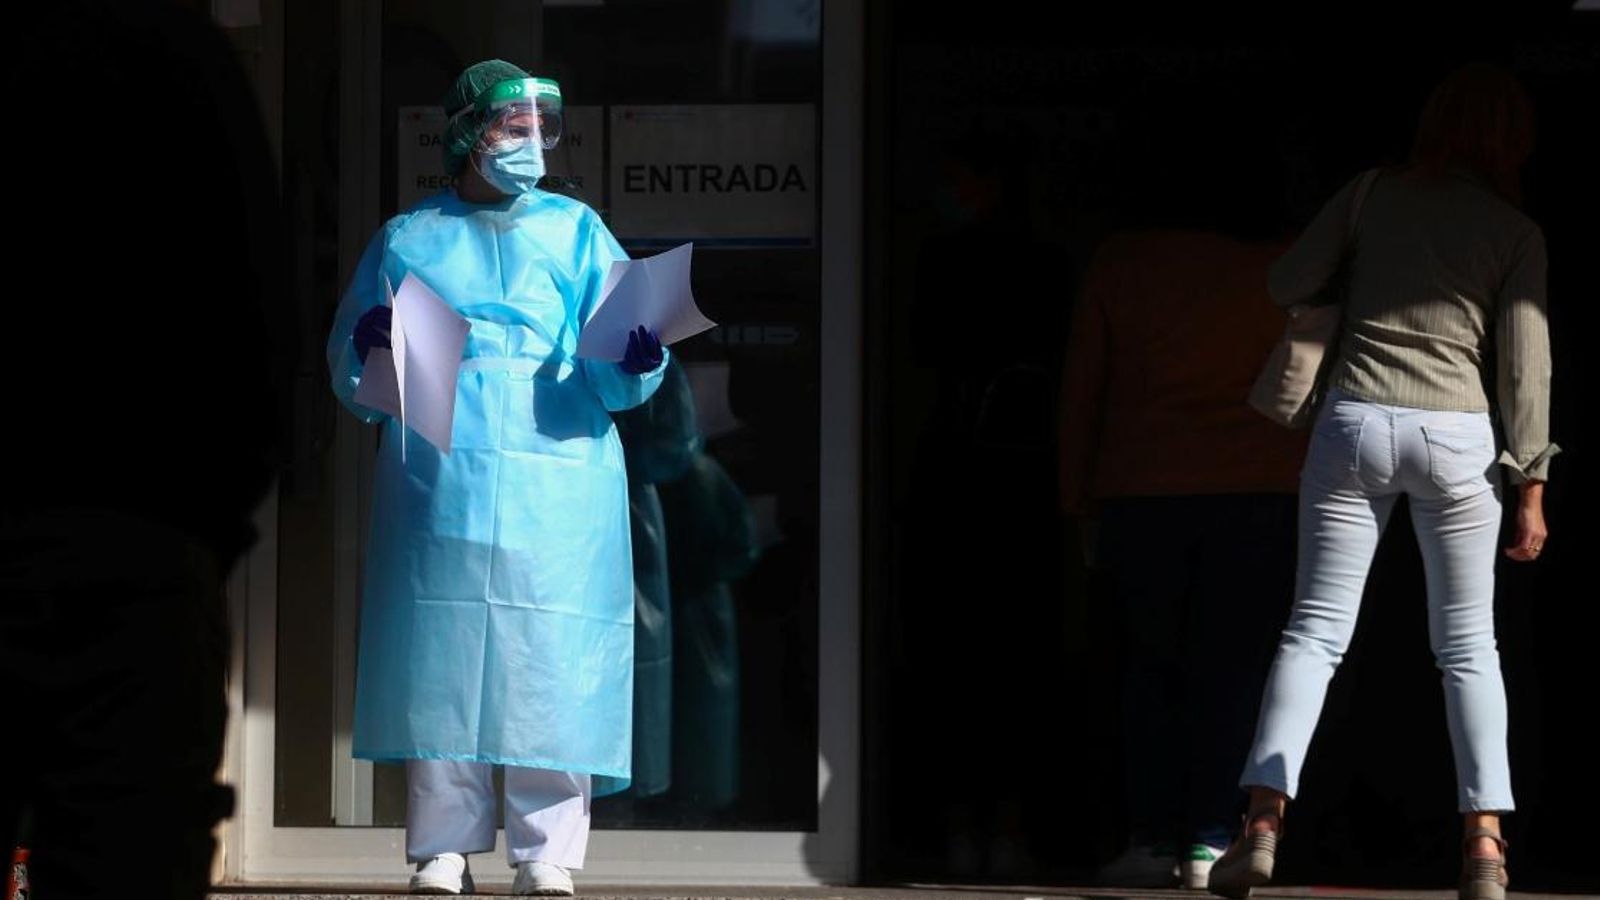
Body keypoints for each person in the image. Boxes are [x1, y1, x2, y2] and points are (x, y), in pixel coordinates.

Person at [1208, 63, 1556, 900]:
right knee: (1469, 646)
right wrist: (1533, 485)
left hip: (1355, 423)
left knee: (1315, 632)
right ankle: (1484, 847)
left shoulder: (1371, 195)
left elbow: (1285, 282)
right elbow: (1526, 369)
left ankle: (1260, 821)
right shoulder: (1514, 231)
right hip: (1459, 436)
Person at [326, 59, 667, 897]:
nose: (532, 144)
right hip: (443, 462)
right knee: (441, 652)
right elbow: (356, 379)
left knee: (552, 651)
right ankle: (443, 846)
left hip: (561, 462)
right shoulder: (407, 238)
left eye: (541, 128)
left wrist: (639, 357)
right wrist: (372, 345)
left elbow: (621, 364)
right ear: (469, 133)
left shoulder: (579, 231)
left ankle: (546, 850)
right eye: (514, 128)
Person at [0, 2, 290, 898]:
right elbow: (257, 310)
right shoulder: (168, 48)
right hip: (136, 545)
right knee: (125, 852)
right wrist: (204, 538)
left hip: (134, 539)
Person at [1059, 97, 1309, 889]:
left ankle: (1148, 836)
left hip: (1141, 489)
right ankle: (1208, 841)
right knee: (1233, 673)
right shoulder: (1284, 263)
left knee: (1150, 670)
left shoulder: (1122, 262)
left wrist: (1077, 501)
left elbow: (1082, 394)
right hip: (1258, 491)